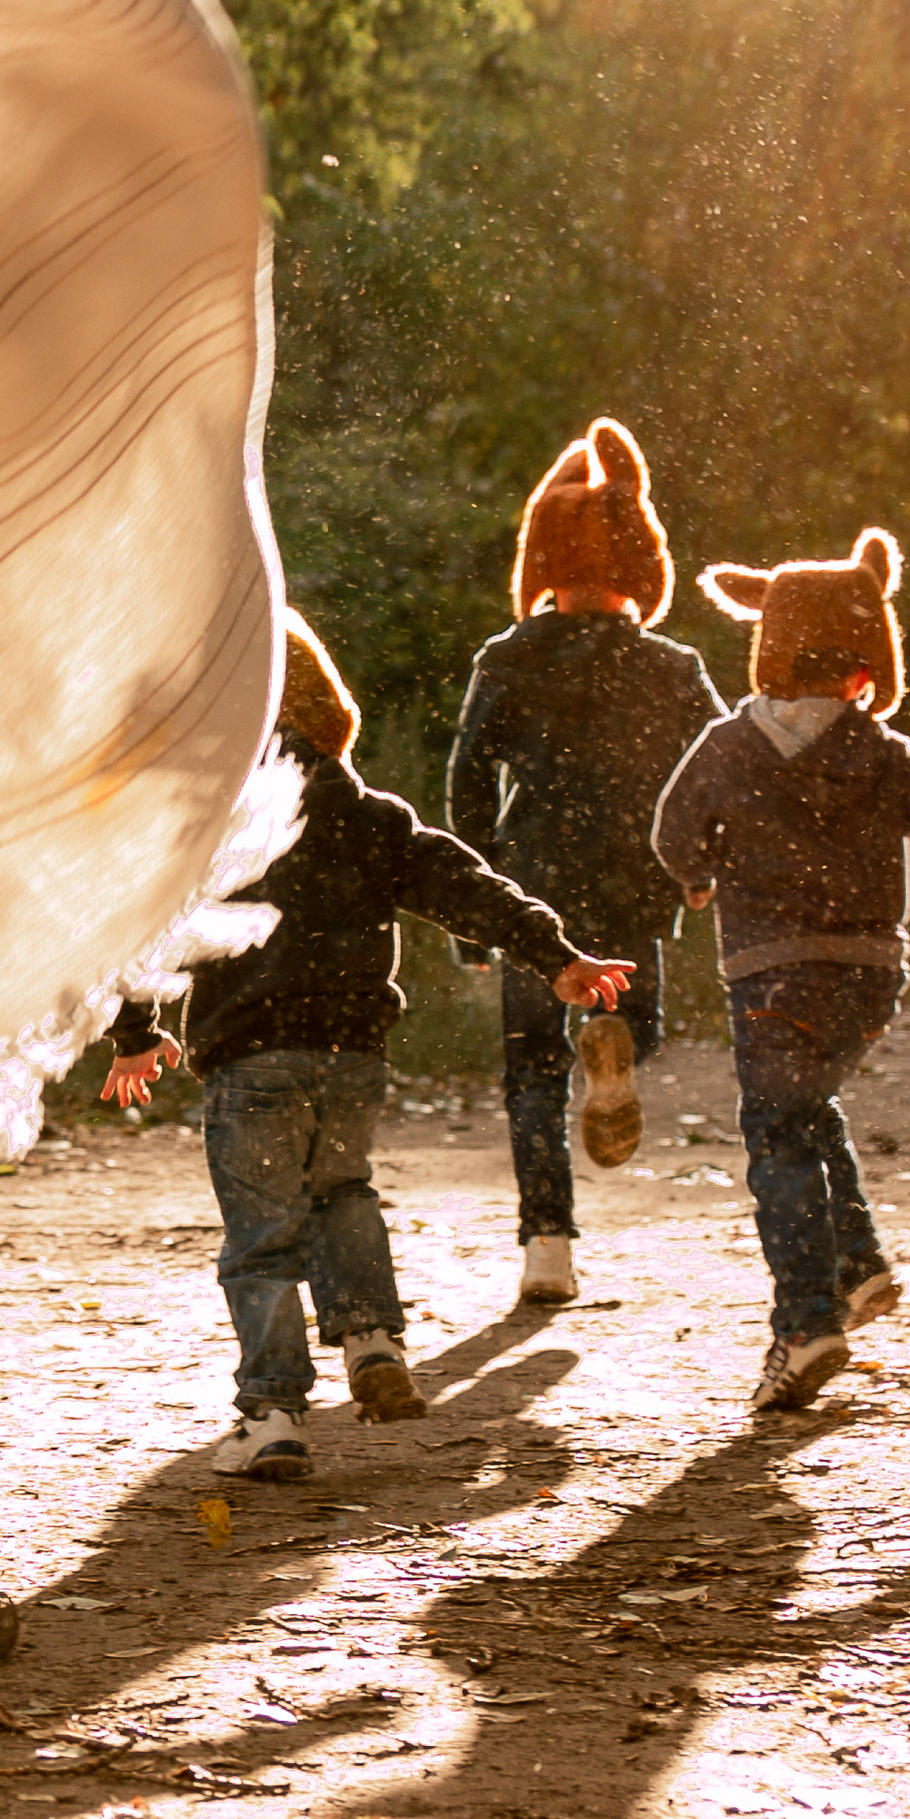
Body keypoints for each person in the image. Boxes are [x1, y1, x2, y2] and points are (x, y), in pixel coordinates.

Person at [102, 614, 632, 1481]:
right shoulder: (373, 818)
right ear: (331, 713)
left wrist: (136, 1035)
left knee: (262, 1237)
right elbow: (466, 884)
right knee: (342, 1191)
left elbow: (143, 928)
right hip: (352, 1055)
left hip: (252, 1056)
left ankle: (272, 1413)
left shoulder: (207, 826)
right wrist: (556, 956)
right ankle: (374, 1340)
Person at [650, 528, 910, 1418]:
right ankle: (858, 1263)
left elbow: (670, 828)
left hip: (768, 971)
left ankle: (806, 1327)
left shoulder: (728, 746)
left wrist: (696, 873)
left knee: (778, 1137)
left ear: (770, 649)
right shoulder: (888, 755)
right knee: (805, 1108)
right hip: (870, 976)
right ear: (867, 665)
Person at [446, 420, 725, 1307]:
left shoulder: (508, 658)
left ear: (541, 559)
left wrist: (474, 905)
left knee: (530, 1066)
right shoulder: (673, 667)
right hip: (634, 881)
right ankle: (621, 1049)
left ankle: (548, 1249)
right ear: (644, 564)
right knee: (636, 1023)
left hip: (533, 884)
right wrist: (700, 861)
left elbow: (466, 779)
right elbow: (715, 764)